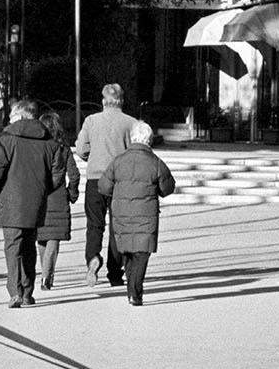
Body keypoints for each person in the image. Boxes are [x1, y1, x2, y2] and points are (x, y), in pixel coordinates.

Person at [0, 97, 60, 308]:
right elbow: (57, 175)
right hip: (36, 201)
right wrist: (43, 190)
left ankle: (15, 291)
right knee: (29, 245)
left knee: (13, 246)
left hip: (9, 200)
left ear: (19, 116)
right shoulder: (50, 143)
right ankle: (27, 291)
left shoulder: (8, 140)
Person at [99, 121, 175, 307]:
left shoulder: (118, 161)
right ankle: (135, 292)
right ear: (148, 140)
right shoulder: (155, 162)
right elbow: (167, 188)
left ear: (132, 139)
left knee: (127, 251)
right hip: (145, 215)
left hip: (121, 214)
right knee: (142, 253)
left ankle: (132, 291)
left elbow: (103, 186)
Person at [75, 83, 141, 288]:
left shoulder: (91, 121)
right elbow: (136, 150)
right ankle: (115, 272)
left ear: (103, 101)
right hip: (120, 180)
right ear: (121, 100)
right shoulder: (130, 123)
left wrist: (91, 158)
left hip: (96, 179)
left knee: (94, 224)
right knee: (116, 226)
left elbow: (80, 148)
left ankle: (92, 258)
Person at [34, 106, 79, 292]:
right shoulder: (64, 149)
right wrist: (71, 193)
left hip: (39, 197)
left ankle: (45, 273)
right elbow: (74, 174)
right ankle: (47, 275)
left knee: (41, 237)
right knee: (54, 237)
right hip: (59, 197)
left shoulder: (36, 149)